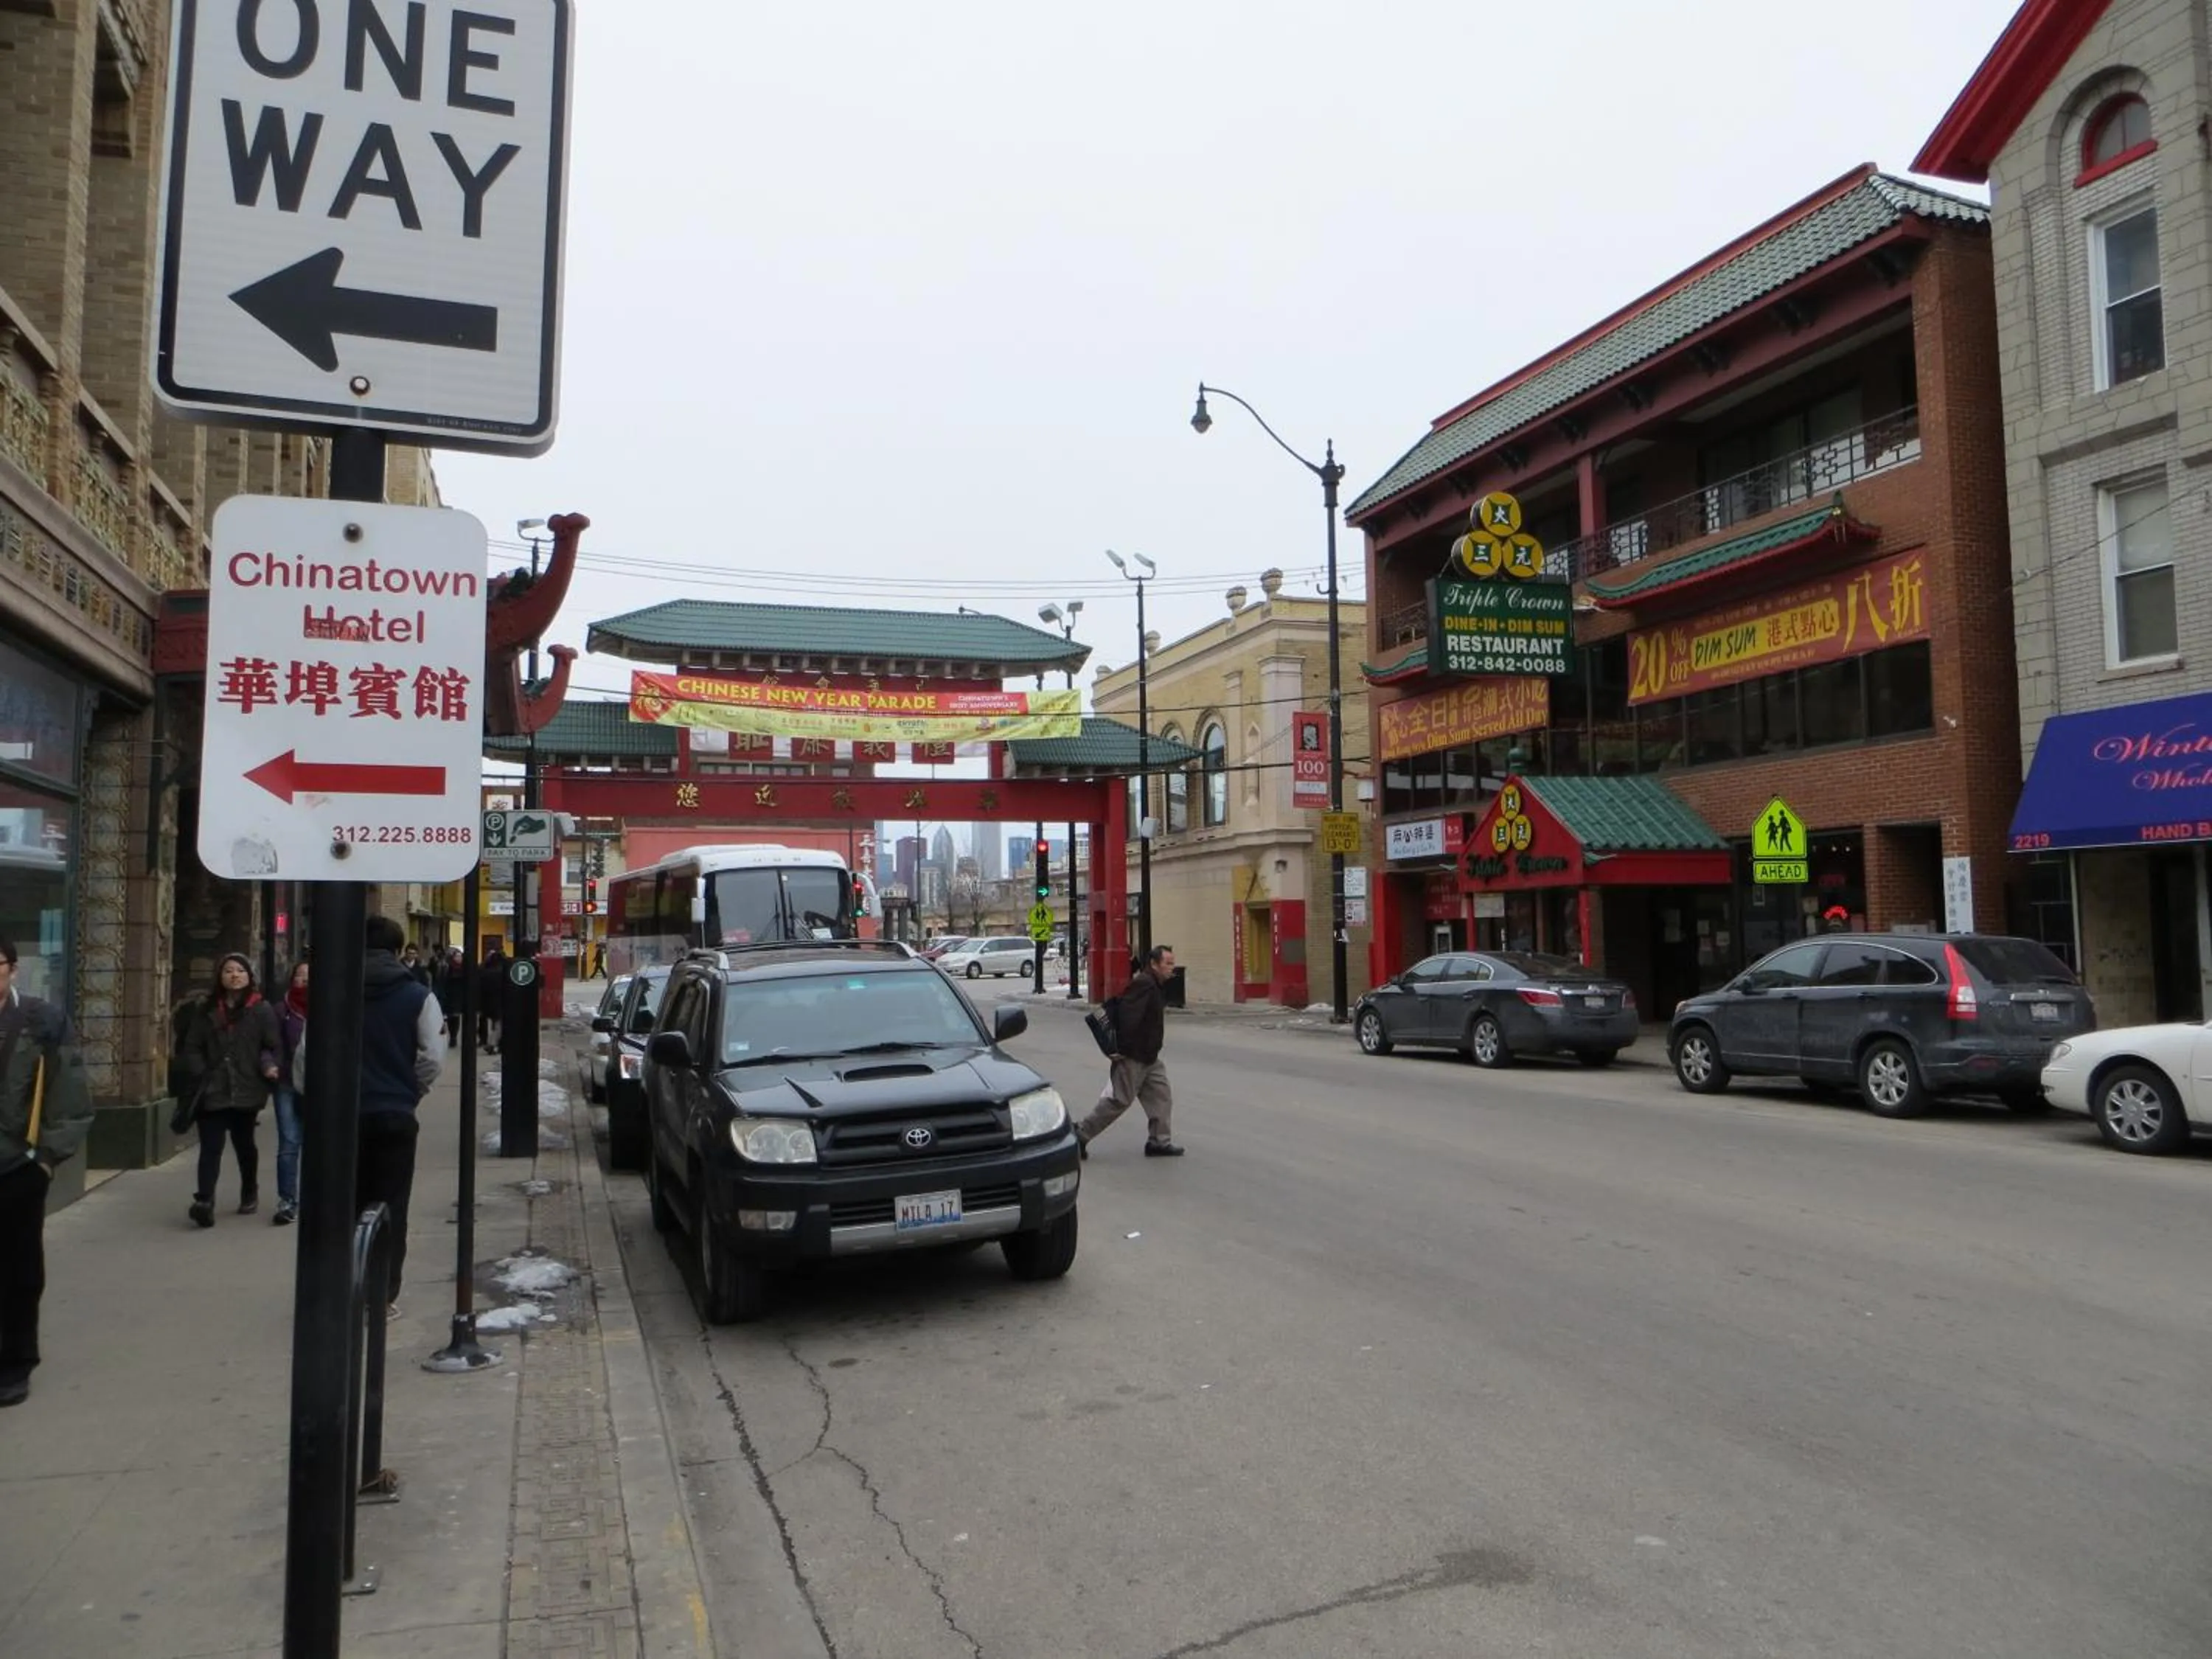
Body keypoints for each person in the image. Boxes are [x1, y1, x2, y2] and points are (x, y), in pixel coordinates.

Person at [295, 914, 445, 1321]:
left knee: (340, 1203)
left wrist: (322, 1099)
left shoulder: (331, 992)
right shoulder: (417, 995)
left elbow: (307, 1058)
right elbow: (432, 1056)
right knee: (390, 1204)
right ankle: (380, 1295)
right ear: (398, 951)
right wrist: (410, 1090)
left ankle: (335, 1288)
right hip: (394, 1115)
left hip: (341, 1118)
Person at [0, 936, 94, 1407]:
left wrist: (46, 1160)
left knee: (18, 1269)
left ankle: (16, 1362)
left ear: (12, 969)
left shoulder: (41, 1021)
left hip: (17, 1165)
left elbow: (69, 1091)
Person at [178, 953, 282, 1228]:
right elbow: (192, 1047)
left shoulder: (261, 1009)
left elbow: (272, 1044)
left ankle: (250, 1189)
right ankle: (205, 1200)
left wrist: (269, 1066)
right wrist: (201, 1073)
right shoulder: (207, 1009)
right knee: (211, 1147)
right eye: (228, 971)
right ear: (220, 977)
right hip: (212, 1089)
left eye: (240, 971)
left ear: (250, 976)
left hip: (247, 1088)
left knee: (244, 1144)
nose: (234, 975)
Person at [1075, 945, 1183, 1158]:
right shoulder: (1144, 984)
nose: (1172, 968)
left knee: (1161, 1095)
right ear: (1154, 964)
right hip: (1133, 1055)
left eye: (1173, 963)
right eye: (1168, 963)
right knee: (1119, 1101)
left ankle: (1159, 1142)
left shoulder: (1155, 984)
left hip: (1149, 1056)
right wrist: (1119, 1050)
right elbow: (1127, 1017)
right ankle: (1080, 1135)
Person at [271, 959, 309, 1225]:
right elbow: (269, 1044)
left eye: (310, 976)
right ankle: (288, 1200)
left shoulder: (334, 1007)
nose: (305, 980)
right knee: (289, 1142)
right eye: (300, 976)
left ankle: (318, 1198)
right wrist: (269, 1064)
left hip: (320, 1085)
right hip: (286, 1082)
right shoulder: (282, 1009)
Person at [478, 942, 509, 1054]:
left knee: (494, 1023)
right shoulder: (503, 972)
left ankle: (491, 1042)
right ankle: (493, 1044)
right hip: (500, 1002)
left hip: (487, 1002)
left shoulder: (485, 971)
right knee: (498, 1024)